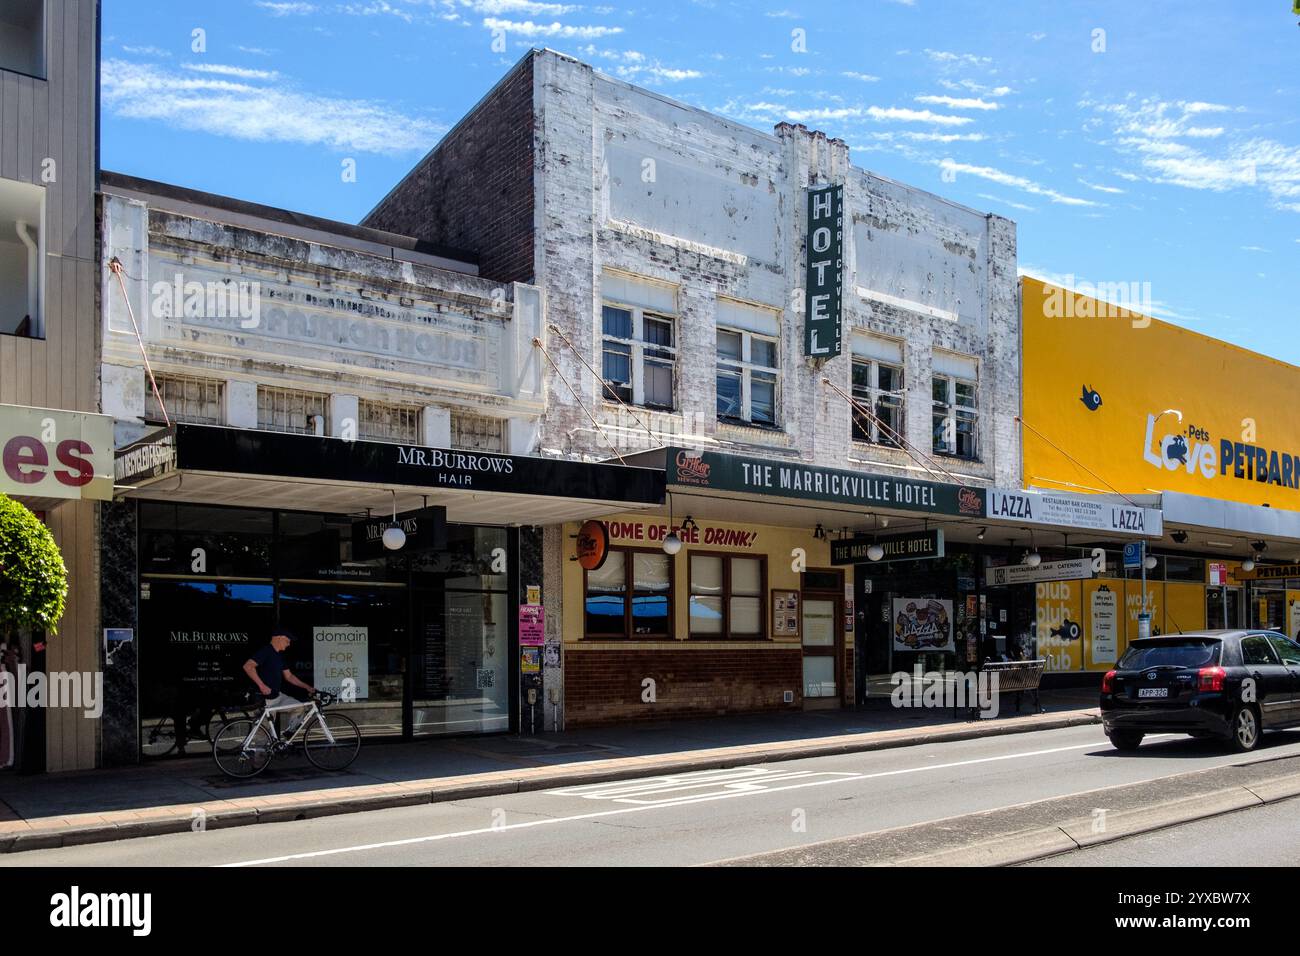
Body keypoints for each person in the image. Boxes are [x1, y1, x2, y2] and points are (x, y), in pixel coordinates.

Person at [243, 628, 316, 737]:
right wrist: (261, 685)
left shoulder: (280, 655)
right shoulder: (266, 651)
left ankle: (289, 733)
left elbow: (289, 676)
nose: (289, 644)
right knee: (263, 734)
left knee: (299, 707)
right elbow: (248, 666)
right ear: (279, 638)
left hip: (278, 696)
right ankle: (256, 753)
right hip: (266, 699)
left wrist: (307, 687)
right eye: (288, 641)